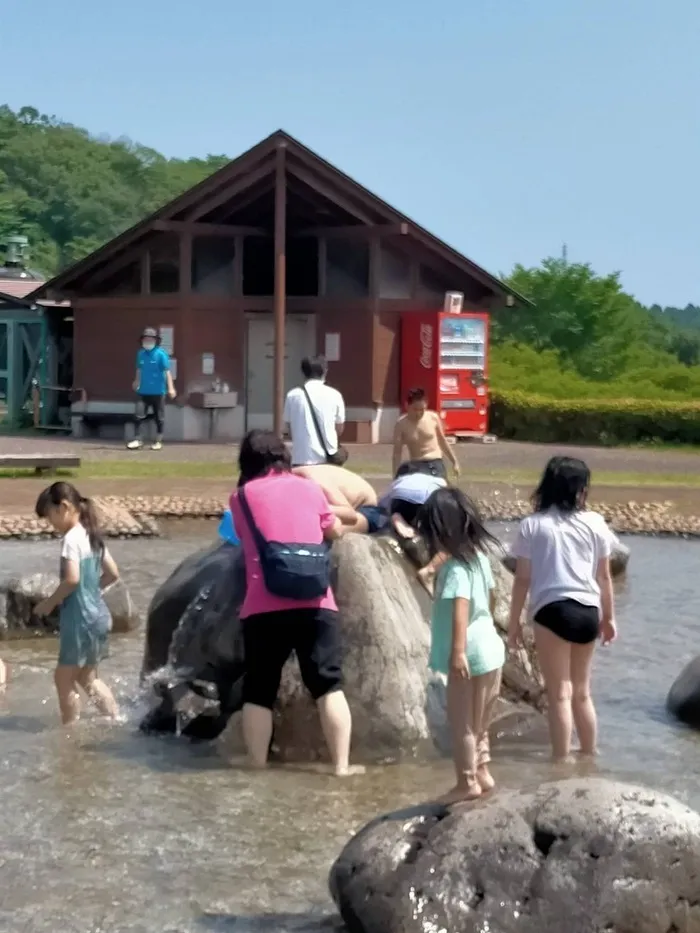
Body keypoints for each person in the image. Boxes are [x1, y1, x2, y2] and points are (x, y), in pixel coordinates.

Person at [229, 430, 363, 776]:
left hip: (263, 603)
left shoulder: (241, 497)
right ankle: (342, 767)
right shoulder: (309, 488)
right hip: (316, 601)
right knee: (328, 685)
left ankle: (256, 764)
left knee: (259, 690)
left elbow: (242, 538)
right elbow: (333, 530)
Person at [507, 456, 616, 763]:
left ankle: (559, 762)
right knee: (582, 692)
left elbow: (523, 579)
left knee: (559, 694)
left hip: (551, 609)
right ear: (581, 489)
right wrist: (609, 618)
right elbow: (604, 576)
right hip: (587, 612)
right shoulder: (596, 522)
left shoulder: (532, 525)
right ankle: (590, 754)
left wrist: (514, 622)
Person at [420, 487, 505, 803]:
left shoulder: (455, 569)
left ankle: (466, 782)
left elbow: (460, 610)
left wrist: (457, 653)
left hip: (468, 654)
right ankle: (483, 771)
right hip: (491, 649)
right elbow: (492, 596)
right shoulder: (480, 558)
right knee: (481, 722)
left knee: (463, 725)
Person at [34, 482, 120, 725]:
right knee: (88, 678)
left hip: (80, 620)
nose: (51, 524)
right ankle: (115, 718)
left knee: (63, 678)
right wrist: (91, 592)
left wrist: (49, 603)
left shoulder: (71, 539)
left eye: (50, 516)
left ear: (64, 507)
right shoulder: (91, 534)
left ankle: (69, 733)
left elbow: (71, 579)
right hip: (99, 616)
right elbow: (113, 573)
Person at [283, 356, 346, 466]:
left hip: (300, 458)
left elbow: (288, 428)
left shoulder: (292, 395)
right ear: (324, 371)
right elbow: (339, 428)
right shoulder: (335, 395)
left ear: (303, 372)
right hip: (328, 458)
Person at [292, 464, 384, 534]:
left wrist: (313, 509)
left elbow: (350, 515)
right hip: (334, 509)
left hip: (364, 509)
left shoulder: (313, 478)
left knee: (330, 529)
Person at [392, 387, 460, 480]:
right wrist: (395, 476)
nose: (418, 413)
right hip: (416, 464)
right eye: (415, 409)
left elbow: (442, 441)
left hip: (435, 461)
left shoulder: (433, 417)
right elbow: (397, 453)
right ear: (407, 405)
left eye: (422, 409)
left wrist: (454, 461)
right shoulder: (401, 424)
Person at [127, 327, 176, 451]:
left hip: (158, 392)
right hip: (143, 391)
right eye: (145, 339)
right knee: (138, 415)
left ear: (155, 340)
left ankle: (158, 441)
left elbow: (167, 372)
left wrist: (171, 388)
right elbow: (139, 369)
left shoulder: (161, 354)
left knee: (159, 417)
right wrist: (136, 381)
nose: (147, 341)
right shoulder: (141, 354)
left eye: (150, 339)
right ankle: (138, 440)